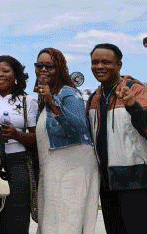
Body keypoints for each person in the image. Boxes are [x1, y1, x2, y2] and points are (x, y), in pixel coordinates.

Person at [87, 43, 147, 234]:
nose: (99, 66)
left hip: (136, 178)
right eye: (95, 62)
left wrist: (133, 106)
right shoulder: (94, 98)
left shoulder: (136, 90)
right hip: (107, 180)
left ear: (119, 65)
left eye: (106, 62)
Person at [34, 47, 99, 234]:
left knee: (66, 220)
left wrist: (51, 102)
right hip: (54, 166)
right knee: (53, 219)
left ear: (60, 68)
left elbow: (79, 127)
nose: (43, 69)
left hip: (71, 165)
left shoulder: (68, 93)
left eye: (49, 66)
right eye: (39, 65)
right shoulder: (47, 96)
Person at [0, 55, 36, 234]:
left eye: (5, 71)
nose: (0, 75)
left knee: (17, 213)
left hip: (18, 161)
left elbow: (36, 138)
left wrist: (16, 134)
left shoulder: (28, 101)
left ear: (16, 75)